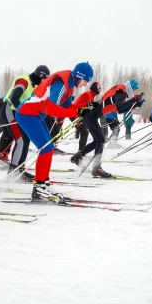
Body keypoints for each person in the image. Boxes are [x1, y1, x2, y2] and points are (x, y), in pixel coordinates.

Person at [15, 62, 93, 203]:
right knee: (45, 149)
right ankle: (39, 187)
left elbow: (67, 106)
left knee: (49, 149)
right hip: (26, 113)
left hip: (36, 115)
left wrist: (86, 107)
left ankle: (43, 184)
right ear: (80, 76)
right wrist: (78, 111)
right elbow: (52, 109)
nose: (84, 85)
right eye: (85, 81)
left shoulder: (69, 84)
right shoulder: (61, 83)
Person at [70, 79, 143, 177]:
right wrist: (134, 100)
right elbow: (121, 107)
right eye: (135, 90)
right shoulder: (121, 93)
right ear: (131, 88)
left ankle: (78, 156)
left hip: (92, 116)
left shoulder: (121, 94)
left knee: (99, 140)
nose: (136, 92)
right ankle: (96, 168)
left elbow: (120, 110)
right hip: (90, 116)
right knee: (100, 140)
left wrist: (136, 104)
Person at [0, 65, 50, 181]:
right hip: (10, 110)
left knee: (26, 139)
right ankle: (12, 172)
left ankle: (20, 169)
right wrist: (22, 112)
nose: (45, 83)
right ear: (40, 76)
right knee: (20, 141)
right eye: (45, 79)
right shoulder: (24, 81)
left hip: (18, 112)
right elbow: (14, 98)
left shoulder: (36, 85)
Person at [72, 82, 101, 152]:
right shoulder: (87, 95)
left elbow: (88, 108)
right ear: (95, 88)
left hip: (80, 115)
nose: (100, 90)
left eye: (100, 88)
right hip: (75, 114)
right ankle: (80, 151)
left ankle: (81, 151)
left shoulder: (92, 96)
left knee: (85, 132)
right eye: (99, 88)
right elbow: (78, 105)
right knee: (84, 132)